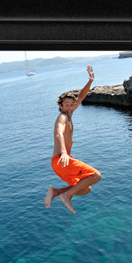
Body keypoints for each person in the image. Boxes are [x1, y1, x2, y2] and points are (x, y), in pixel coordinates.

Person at [44, 65, 102, 214]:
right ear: (60, 106)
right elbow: (58, 133)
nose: (70, 108)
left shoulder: (69, 114)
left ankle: (56, 192)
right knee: (95, 175)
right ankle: (66, 196)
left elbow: (81, 96)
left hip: (61, 163)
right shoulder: (62, 117)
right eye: (66, 105)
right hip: (60, 160)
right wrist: (64, 153)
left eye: (72, 105)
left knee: (86, 188)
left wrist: (90, 81)